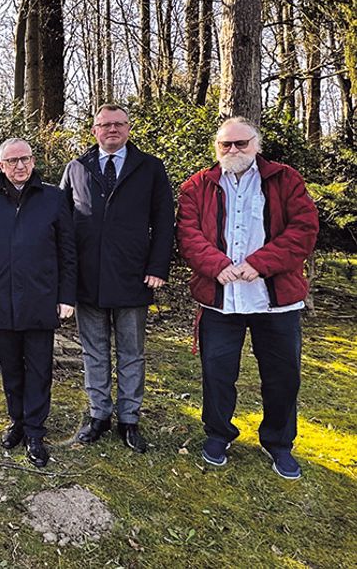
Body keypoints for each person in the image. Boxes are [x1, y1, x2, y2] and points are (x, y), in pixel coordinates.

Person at [177, 117, 318, 480]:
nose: (234, 150)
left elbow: (304, 229)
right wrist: (216, 264)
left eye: (241, 143)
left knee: (282, 376)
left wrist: (260, 263)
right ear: (216, 148)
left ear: (256, 144)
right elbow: (188, 233)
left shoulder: (285, 180)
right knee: (217, 372)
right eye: (226, 145)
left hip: (275, 300)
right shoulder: (198, 185)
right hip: (220, 298)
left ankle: (279, 442)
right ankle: (218, 434)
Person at [59, 104, 175, 453]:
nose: (112, 129)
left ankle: (129, 419)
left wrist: (157, 267)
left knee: (131, 352)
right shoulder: (76, 168)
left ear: (128, 128)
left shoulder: (150, 168)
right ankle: (98, 415)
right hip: (87, 279)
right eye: (104, 124)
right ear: (93, 130)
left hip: (133, 276)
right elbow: (62, 224)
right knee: (94, 351)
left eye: (118, 124)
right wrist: (65, 275)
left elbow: (165, 221)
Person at [0, 138, 77, 467]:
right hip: (1, 300)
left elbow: (67, 252)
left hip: (41, 299)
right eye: (12, 161)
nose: (19, 166)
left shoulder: (54, 198)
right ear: (1, 166)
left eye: (25, 159)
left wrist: (66, 296)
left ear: (33, 162)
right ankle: (16, 421)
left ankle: (34, 431)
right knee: (11, 369)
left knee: (39, 369)